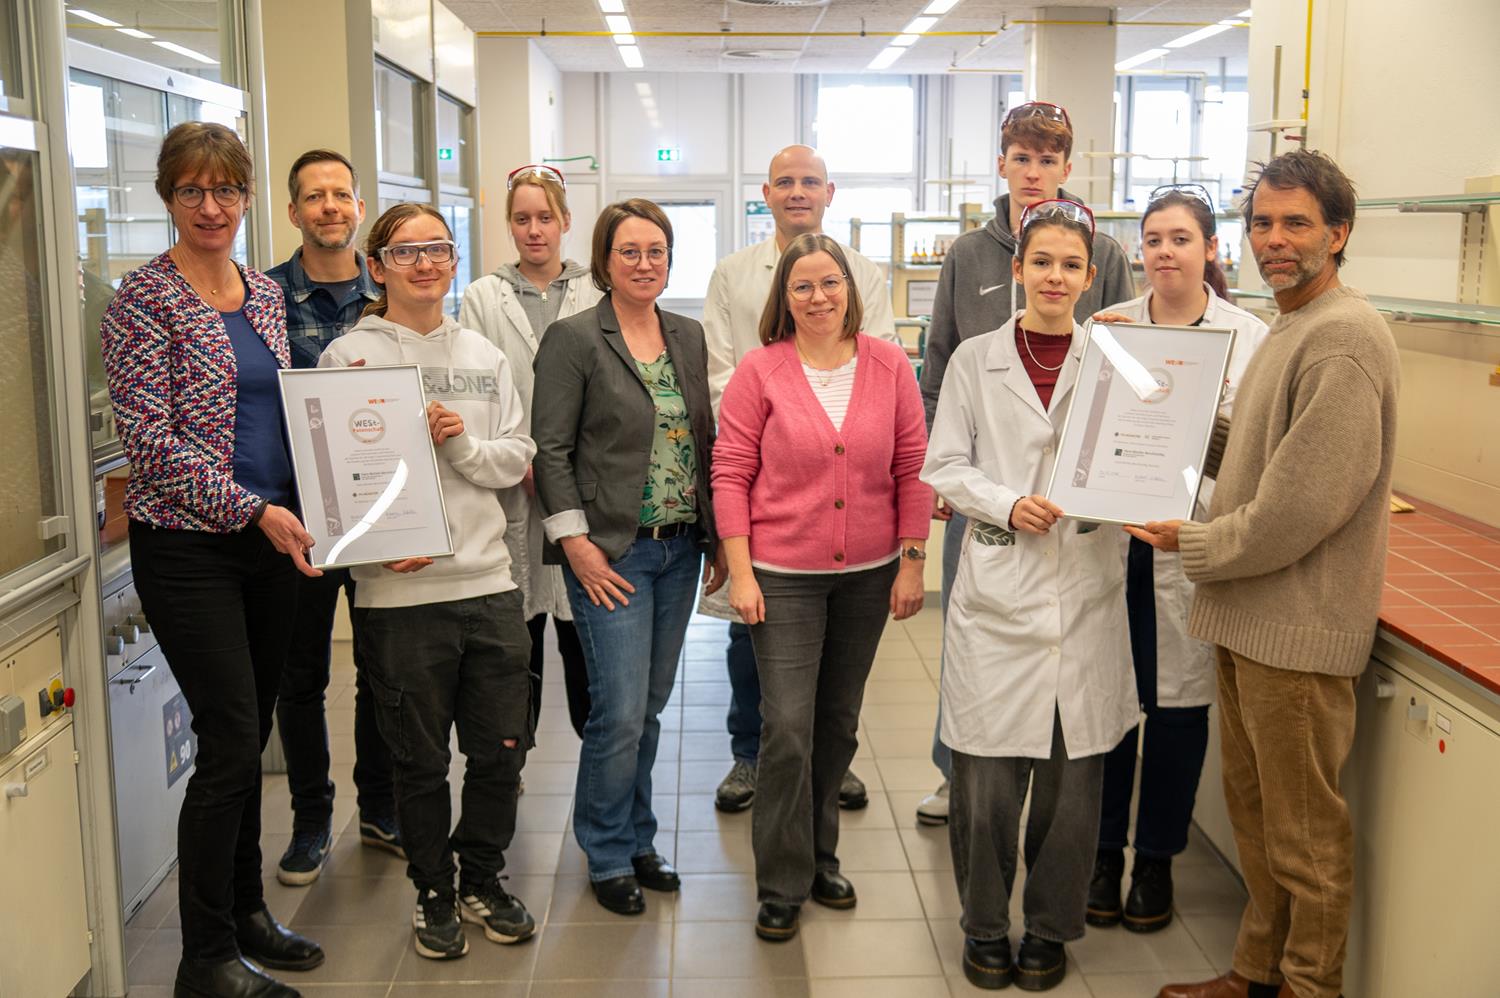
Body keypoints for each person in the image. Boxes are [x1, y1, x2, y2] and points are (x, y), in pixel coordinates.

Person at [1134, 151, 1399, 998]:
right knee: (1257, 818)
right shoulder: (1289, 326)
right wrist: (1154, 410)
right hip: (1251, 620)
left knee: (1305, 838)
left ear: (1338, 233)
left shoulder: (1343, 338)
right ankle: (1256, 973)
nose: (1274, 240)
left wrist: (1195, 545)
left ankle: (1309, 987)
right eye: (1261, 223)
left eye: (1296, 223)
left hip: (1296, 629)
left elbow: (1297, 508)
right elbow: (1257, 455)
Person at [101, 121, 323, 998]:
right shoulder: (142, 300)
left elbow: (285, 410)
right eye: (192, 190)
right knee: (229, 739)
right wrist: (254, 509)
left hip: (269, 545)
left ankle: (247, 914)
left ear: (246, 195)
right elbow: (150, 447)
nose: (211, 206)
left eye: (226, 189)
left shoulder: (260, 291)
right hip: (190, 550)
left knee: (250, 733)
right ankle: (205, 958)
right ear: (168, 197)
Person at [921, 200, 1139, 992]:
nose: (1055, 277)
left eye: (1071, 265)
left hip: (1085, 591)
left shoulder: (1119, 363)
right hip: (1000, 591)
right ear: (1017, 269)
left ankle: (1050, 928)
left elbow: (1145, 458)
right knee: (983, 788)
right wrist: (1006, 502)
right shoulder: (975, 360)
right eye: (1041, 262)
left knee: (1071, 790)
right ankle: (984, 926)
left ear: (1090, 276)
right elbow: (945, 464)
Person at [318, 203, 539, 961]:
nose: (425, 263)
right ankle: (434, 892)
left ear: (453, 261)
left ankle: (481, 878)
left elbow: (517, 455)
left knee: (501, 751)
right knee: (419, 762)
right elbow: (329, 480)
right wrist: (372, 548)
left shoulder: (483, 353)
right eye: (406, 251)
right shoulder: (347, 359)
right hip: (399, 597)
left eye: (438, 249)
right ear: (376, 267)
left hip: (488, 585)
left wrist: (464, 446)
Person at [915, 101, 1135, 826]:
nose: (1034, 171)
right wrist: (946, 470)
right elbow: (940, 362)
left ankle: (1047, 786)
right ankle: (959, 772)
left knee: (1069, 652)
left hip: (1076, 499)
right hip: (984, 481)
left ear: (1067, 168)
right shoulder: (967, 255)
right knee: (973, 639)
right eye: (1022, 157)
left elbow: (1127, 359)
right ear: (1002, 163)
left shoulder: (1104, 252)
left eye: (1048, 159)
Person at [714, 233, 930, 942]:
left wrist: (912, 559)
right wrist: (741, 571)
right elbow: (730, 472)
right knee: (786, 729)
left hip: (868, 576)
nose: (818, 297)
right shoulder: (760, 370)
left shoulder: (888, 364)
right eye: (802, 286)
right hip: (782, 578)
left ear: (849, 289)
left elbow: (912, 464)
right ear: (784, 297)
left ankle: (820, 858)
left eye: (829, 282)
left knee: (837, 724)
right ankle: (781, 881)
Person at [1083, 184, 1269, 933]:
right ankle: (1103, 853)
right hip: (1113, 540)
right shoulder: (1111, 328)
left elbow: (1254, 455)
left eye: (1181, 239)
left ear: (1211, 249)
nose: (1165, 252)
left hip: (1191, 544)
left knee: (1178, 709)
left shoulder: (1248, 339)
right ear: (1140, 250)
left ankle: (1156, 859)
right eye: (1154, 239)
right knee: (1111, 701)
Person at [531, 198, 725, 916]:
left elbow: (703, 441)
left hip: (679, 550)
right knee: (615, 712)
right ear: (604, 261)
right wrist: (575, 545)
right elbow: (550, 450)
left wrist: (717, 538)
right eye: (630, 251)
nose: (645, 263)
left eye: (656, 251)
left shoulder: (688, 334)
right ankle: (608, 851)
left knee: (648, 707)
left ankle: (639, 837)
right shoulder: (574, 339)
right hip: (612, 554)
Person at [702, 144, 897, 815]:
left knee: (838, 657)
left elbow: (880, 364)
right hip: (765, 478)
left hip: (840, 485)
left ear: (829, 192)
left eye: (809, 181)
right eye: (784, 182)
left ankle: (826, 763)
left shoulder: (863, 272)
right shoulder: (732, 274)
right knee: (748, 628)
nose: (797, 192)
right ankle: (750, 756)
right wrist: (776, 416)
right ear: (766, 193)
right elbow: (717, 368)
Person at [264, 148, 399, 887]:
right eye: (314, 197)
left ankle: (379, 809)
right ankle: (311, 819)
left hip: (380, 513)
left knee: (381, 670)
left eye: (341, 195)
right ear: (294, 212)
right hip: (299, 519)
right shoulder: (262, 299)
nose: (329, 207)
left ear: (358, 207)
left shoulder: (389, 291)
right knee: (301, 677)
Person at [460, 164, 601, 741]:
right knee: (515, 643)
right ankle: (510, 763)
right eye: (522, 219)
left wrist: (561, 471)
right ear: (509, 224)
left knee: (584, 640)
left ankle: (597, 761)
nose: (534, 230)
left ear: (566, 221)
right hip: (511, 486)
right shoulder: (483, 297)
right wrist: (520, 461)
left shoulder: (597, 291)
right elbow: (478, 390)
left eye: (545, 217)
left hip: (582, 489)